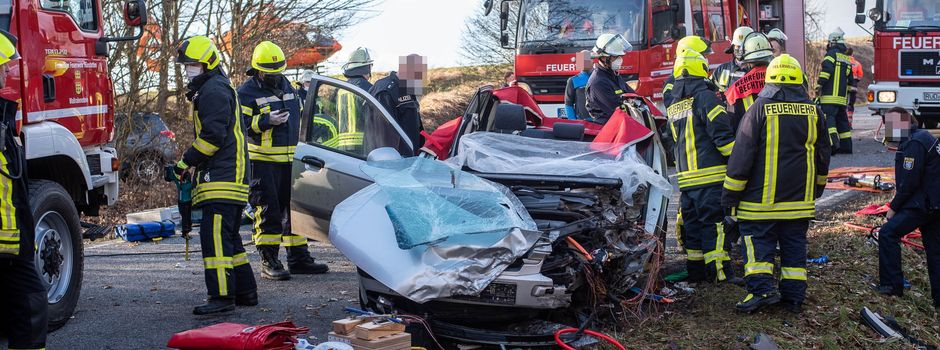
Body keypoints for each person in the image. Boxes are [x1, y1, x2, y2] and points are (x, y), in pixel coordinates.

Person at [723, 54, 831, 314]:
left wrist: (730, 195)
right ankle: (793, 296)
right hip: (799, 202)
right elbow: (823, 154)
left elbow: (742, 155)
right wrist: (817, 188)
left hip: (760, 203)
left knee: (757, 242)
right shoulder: (814, 111)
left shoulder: (759, 108)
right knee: (794, 246)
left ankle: (761, 290)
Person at [175, 35, 258, 315]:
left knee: (214, 239)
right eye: (187, 65)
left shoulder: (212, 91)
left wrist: (184, 162)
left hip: (223, 177)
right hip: (228, 175)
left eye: (193, 64)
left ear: (208, 63)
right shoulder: (215, 87)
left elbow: (212, 137)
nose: (189, 70)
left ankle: (221, 296)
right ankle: (246, 291)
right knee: (229, 238)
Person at [238, 41, 328, 281]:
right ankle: (269, 260)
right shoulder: (245, 93)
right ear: (258, 70)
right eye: (271, 73)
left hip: (292, 160)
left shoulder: (287, 86)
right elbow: (240, 127)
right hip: (263, 162)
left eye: (279, 71)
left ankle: (298, 258)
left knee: (297, 211)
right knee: (268, 212)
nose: (276, 76)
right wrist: (265, 121)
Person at [667, 49, 737, 283]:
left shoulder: (674, 104)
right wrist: (740, 160)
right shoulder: (706, 98)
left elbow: (672, 140)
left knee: (693, 228)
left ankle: (696, 273)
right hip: (710, 178)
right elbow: (722, 136)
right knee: (714, 226)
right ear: (701, 70)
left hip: (686, 182)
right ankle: (720, 273)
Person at [0, 29, 47, 350]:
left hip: (13, 244)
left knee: (30, 307)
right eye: (2, 66)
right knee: (30, 305)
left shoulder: (5, 115)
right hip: (6, 243)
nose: (7, 71)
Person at [874, 107, 940, 311]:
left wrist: (893, 208)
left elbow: (909, 183)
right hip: (935, 202)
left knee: (887, 234)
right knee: (935, 252)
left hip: (923, 204)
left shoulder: (913, 143)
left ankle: (891, 286)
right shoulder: (923, 137)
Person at [370, 54, 427, 155]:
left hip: (410, 156)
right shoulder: (385, 91)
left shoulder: (407, 88)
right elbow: (384, 132)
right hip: (394, 158)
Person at [725, 32, 774, 132]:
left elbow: (731, 124)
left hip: (748, 137)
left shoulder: (734, 90)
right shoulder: (784, 81)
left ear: (747, 62)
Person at [816, 28, 855, 154]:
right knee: (842, 122)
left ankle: (833, 145)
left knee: (829, 120)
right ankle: (846, 147)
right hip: (841, 99)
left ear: (833, 42)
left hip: (829, 98)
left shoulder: (830, 55)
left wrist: (819, 85)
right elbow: (851, 80)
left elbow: (826, 71)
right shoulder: (846, 58)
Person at [585, 33, 635, 123]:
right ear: (604, 58)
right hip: (608, 127)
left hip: (621, 124)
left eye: (620, 56)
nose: (620, 59)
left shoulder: (613, 75)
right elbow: (618, 110)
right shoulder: (598, 82)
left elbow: (633, 96)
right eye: (616, 56)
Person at [663, 35, 714, 109]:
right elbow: (671, 106)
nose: (705, 59)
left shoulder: (700, 76)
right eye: (703, 56)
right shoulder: (672, 81)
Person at [711, 26, 754, 94]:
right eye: (737, 46)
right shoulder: (721, 69)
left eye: (744, 46)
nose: (740, 49)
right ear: (733, 47)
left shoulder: (759, 70)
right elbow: (711, 89)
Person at [564, 50, 593, 120]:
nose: (583, 63)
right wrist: (573, 121)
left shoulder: (600, 77)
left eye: (585, 60)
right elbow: (568, 103)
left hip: (600, 121)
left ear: (592, 61)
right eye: (581, 61)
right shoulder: (573, 80)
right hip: (582, 121)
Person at [846, 47, 864, 125]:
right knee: (850, 104)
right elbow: (860, 75)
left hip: (843, 87)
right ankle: (849, 123)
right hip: (853, 86)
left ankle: (843, 123)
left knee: (843, 104)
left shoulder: (843, 62)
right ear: (852, 54)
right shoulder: (857, 63)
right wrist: (855, 80)